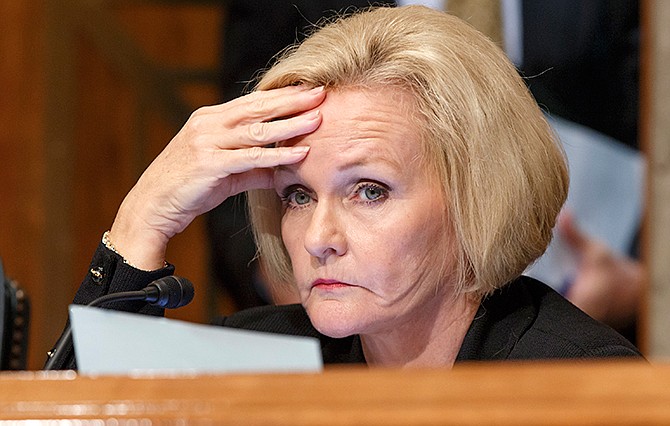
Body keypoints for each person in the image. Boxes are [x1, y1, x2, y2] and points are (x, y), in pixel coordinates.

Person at [45, 5, 642, 370]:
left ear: (477, 200)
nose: (318, 239)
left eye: (370, 191)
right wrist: (139, 223)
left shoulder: (581, 378)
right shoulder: (253, 356)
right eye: (298, 196)